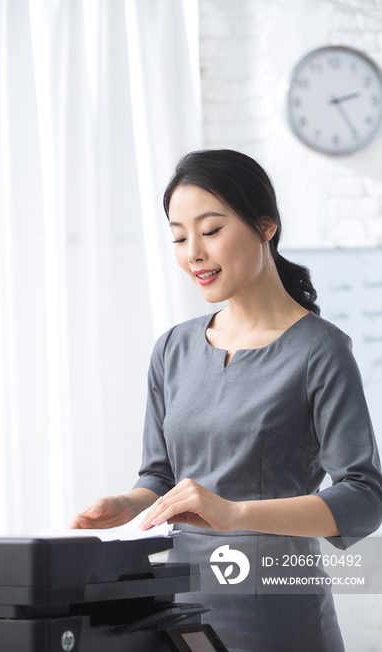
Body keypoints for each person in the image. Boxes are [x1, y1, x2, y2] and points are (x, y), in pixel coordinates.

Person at [69, 150, 382, 652]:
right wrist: (124, 506)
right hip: (178, 615)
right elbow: (161, 478)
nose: (192, 251)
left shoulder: (319, 349)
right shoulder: (173, 349)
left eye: (210, 230)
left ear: (265, 228)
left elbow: (365, 497)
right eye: (178, 237)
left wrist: (234, 514)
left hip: (276, 617)